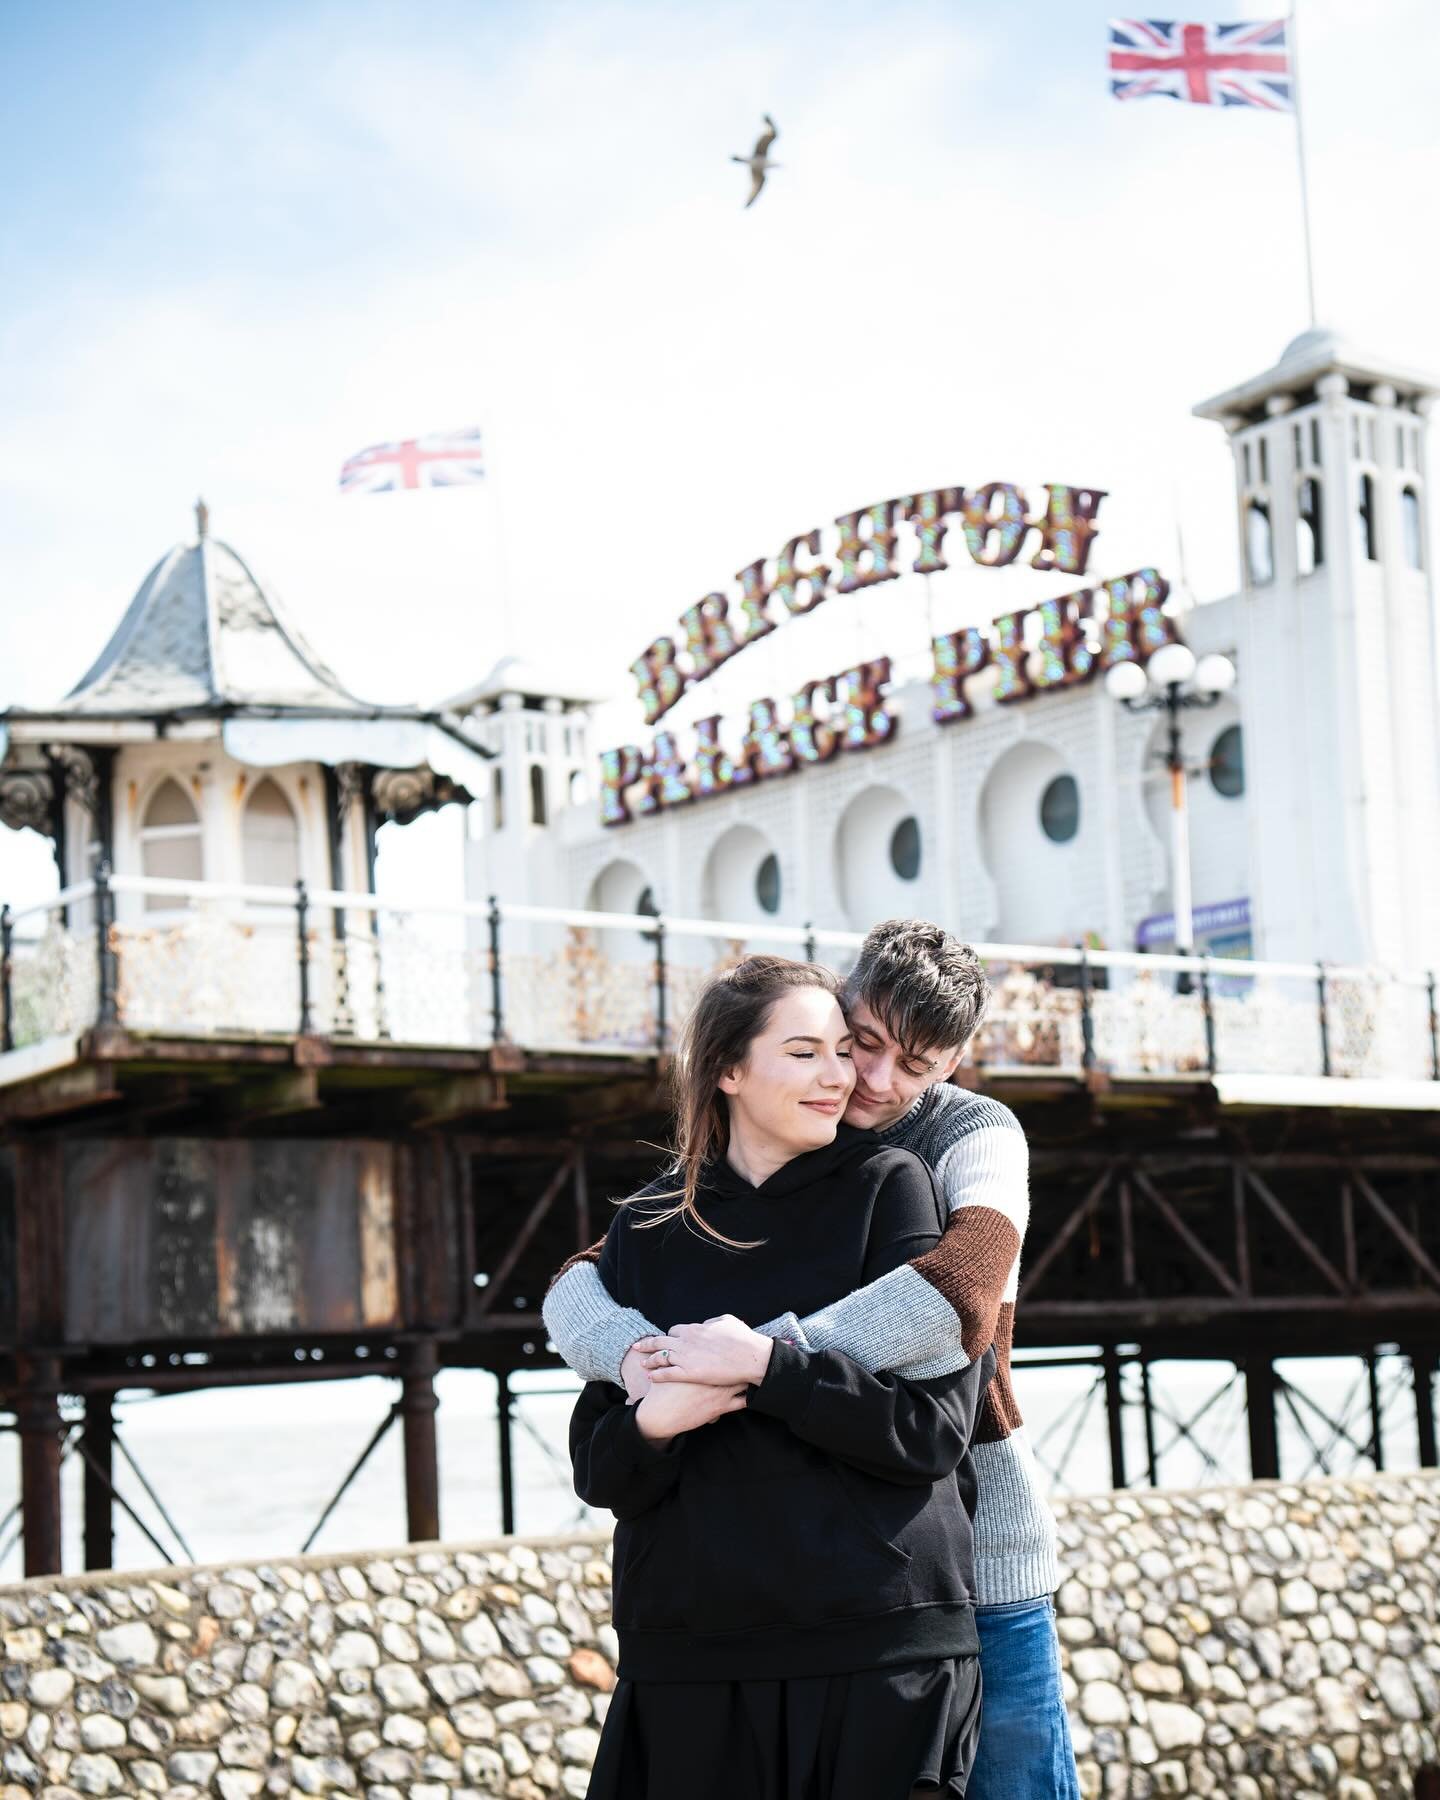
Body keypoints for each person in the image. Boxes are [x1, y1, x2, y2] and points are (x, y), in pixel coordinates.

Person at [546, 919, 1082, 1800]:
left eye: (915, 1065)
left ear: (952, 1065)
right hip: (763, 1608)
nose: (870, 1081)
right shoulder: (697, 1188)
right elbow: (576, 1284)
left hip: (981, 1543)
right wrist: (641, 1368)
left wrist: (756, 1361)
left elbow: (961, 1293)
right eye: (859, 1043)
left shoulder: (968, 1136)